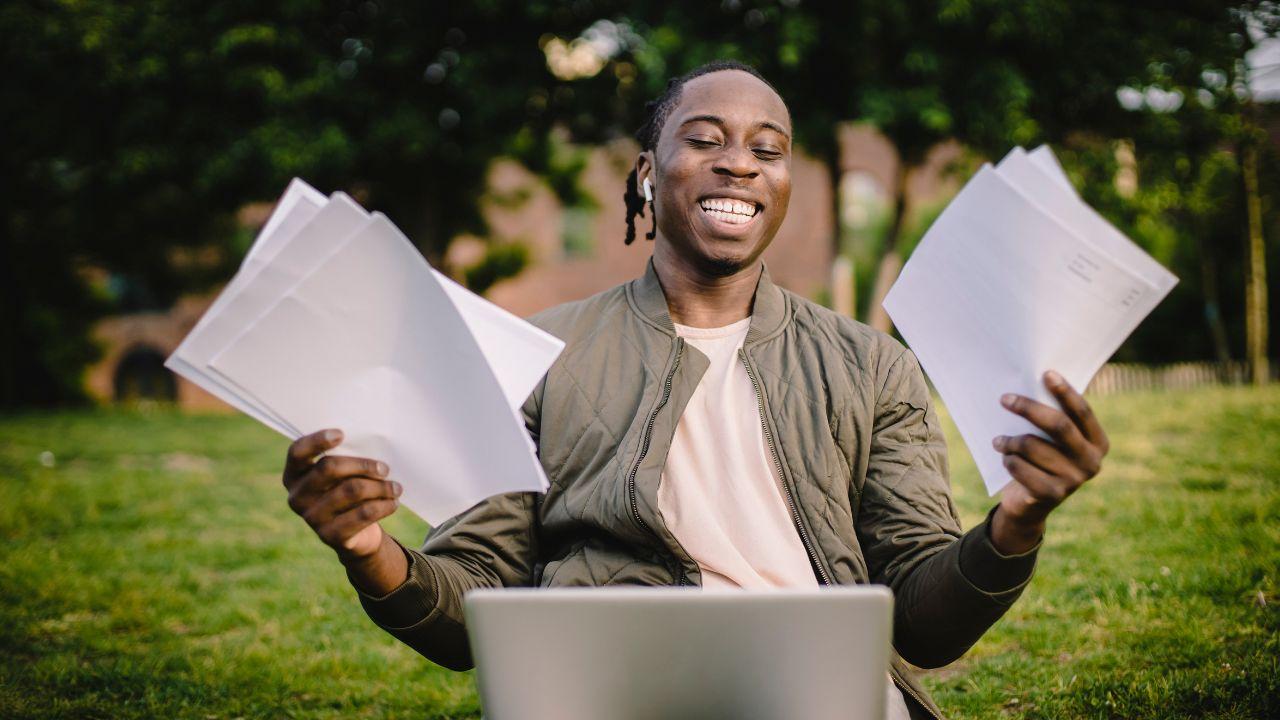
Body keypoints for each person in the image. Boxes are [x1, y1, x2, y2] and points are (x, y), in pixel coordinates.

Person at [279, 61, 1110, 720]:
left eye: (768, 148)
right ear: (648, 174)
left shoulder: (872, 368)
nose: (739, 161)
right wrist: (368, 550)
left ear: (783, 184)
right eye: (705, 137)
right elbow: (473, 608)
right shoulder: (537, 354)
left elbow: (925, 624)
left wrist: (1015, 523)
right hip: (602, 700)